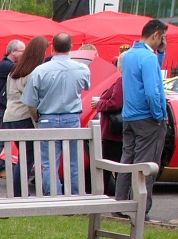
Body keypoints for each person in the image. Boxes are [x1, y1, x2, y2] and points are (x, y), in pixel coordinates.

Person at [21, 33, 90, 195]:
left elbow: (30, 102)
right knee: (74, 161)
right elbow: (87, 87)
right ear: (71, 47)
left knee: (49, 162)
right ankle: (75, 194)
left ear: (52, 48)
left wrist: (37, 118)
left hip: (47, 118)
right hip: (72, 117)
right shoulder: (82, 69)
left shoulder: (40, 71)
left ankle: (53, 195)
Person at [115, 19, 168, 221]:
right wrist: (158, 115)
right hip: (147, 118)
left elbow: (149, 73)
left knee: (127, 160)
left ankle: (121, 202)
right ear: (155, 35)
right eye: (162, 37)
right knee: (146, 164)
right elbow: (153, 91)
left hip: (130, 116)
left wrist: (161, 54)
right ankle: (140, 207)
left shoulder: (130, 55)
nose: (162, 41)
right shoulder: (147, 57)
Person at [3, 36, 48, 196]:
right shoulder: (33, 73)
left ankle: (18, 190)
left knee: (24, 156)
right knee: (27, 157)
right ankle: (19, 192)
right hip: (24, 117)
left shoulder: (14, 71)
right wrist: (37, 119)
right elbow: (33, 100)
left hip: (10, 116)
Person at [0, 39, 25, 175]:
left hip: (7, 107)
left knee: (8, 139)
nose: (24, 54)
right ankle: (1, 168)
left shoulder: (9, 65)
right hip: (5, 108)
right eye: (22, 51)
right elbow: (24, 70)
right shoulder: (6, 66)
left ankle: (4, 168)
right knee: (4, 139)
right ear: (13, 51)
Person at [96, 57, 125, 196]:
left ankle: (105, 197)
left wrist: (99, 104)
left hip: (112, 131)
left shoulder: (121, 81)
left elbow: (115, 103)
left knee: (107, 167)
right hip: (120, 131)